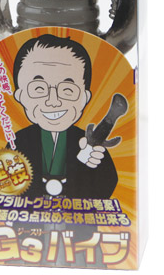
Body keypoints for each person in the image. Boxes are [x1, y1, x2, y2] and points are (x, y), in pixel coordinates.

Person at [12, 34, 118, 199]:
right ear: (20, 96)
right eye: (38, 88)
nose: (53, 101)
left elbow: (109, 183)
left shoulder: (87, 142)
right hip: (28, 212)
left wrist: (95, 166)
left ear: (85, 97)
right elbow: (2, 188)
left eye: (67, 90)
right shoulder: (17, 141)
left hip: (78, 211)